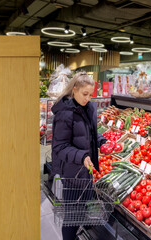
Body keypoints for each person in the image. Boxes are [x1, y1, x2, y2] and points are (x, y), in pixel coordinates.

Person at [51, 72, 107, 240]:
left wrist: (103, 142)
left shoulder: (87, 108)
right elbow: (60, 146)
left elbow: (89, 134)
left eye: (90, 95)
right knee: (71, 218)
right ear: (74, 89)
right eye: (84, 94)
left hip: (85, 171)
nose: (88, 98)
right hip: (72, 173)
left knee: (80, 211)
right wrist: (81, 156)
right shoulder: (65, 113)